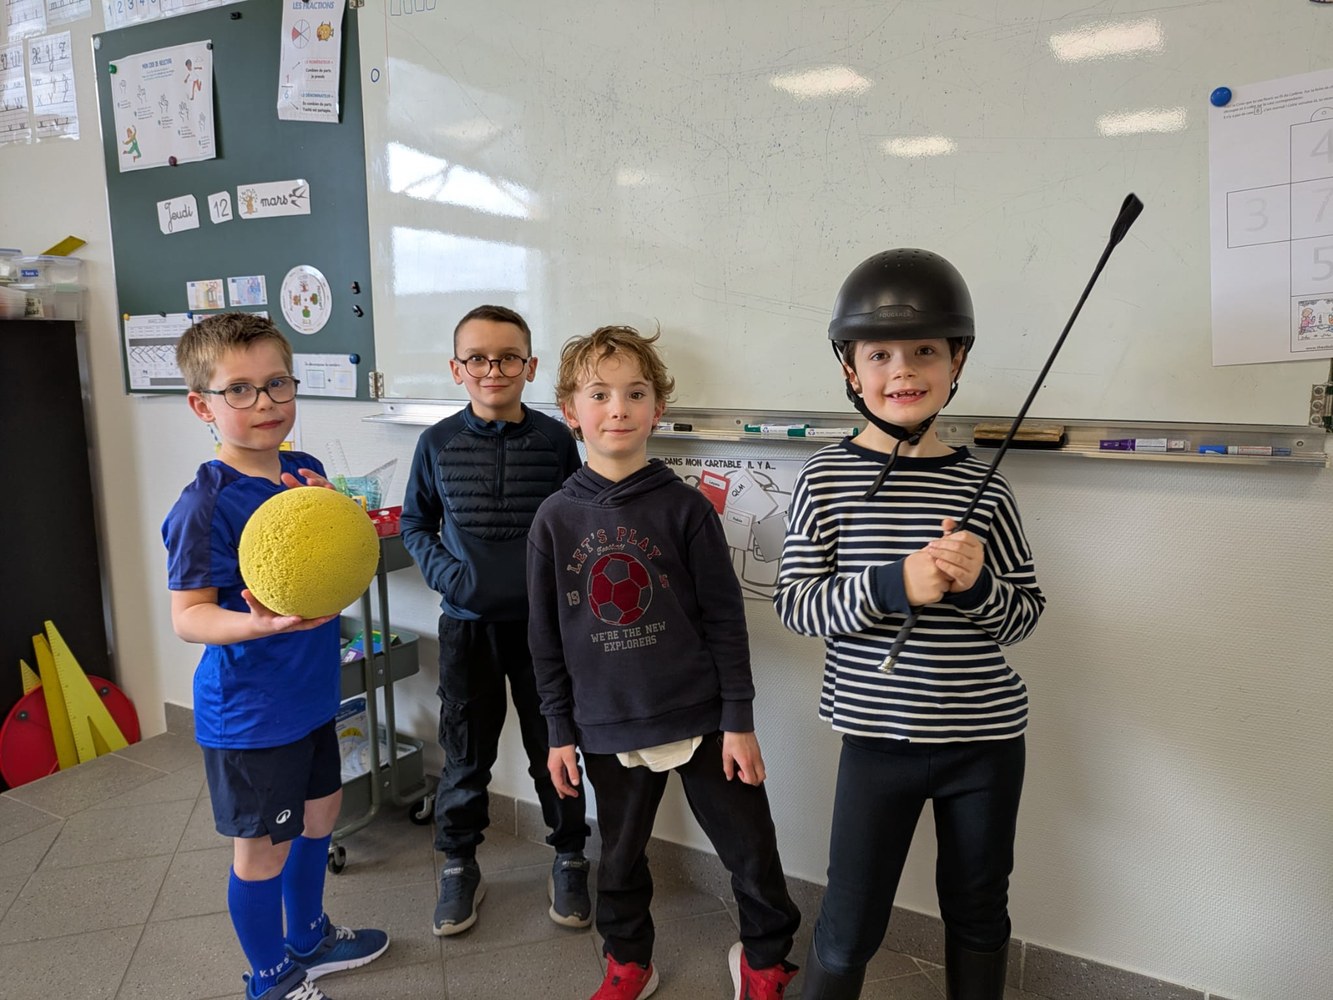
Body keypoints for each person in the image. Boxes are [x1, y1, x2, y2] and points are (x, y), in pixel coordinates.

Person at [773, 250, 1046, 1000]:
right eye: (880, 354)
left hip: (986, 743)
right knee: (849, 920)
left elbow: (1023, 614)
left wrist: (975, 586)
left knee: (978, 910)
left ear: (956, 361)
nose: (903, 370)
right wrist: (895, 584)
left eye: (925, 350)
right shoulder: (825, 478)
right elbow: (797, 603)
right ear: (850, 368)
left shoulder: (983, 486)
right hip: (876, 743)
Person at [527, 325, 801, 1000]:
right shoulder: (554, 520)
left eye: (634, 393)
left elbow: (724, 621)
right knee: (618, 861)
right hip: (605, 724)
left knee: (751, 853)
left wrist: (738, 720)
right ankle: (629, 961)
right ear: (570, 411)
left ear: (657, 408)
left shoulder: (686, 509)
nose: (617, 408)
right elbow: (546, 639)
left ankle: (765, 961)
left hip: (704, 719)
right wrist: (558, 731)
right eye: (599, 394)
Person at [162, 313, 389, 1000]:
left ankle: (309, 938)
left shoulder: (303, 472)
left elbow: (327, 566)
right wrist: (258, 624)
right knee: (264, 849)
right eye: (239, 389)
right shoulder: (204, 505)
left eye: (277, 383)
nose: (264, 402)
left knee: (321, 816)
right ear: (202, 405)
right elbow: (189, 617)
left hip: (311, 692)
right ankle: (270, 978)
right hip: (251, 713)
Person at [400, 304, 591, 937]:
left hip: (545, 633)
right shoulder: (436, 443)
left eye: (508, 358)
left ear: (530, 367)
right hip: (467, 627)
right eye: (477, 358)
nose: (493, 370)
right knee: (465, 754)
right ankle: (459, 864)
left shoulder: (556, 440)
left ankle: (569, 856)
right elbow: (415, 523)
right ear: (457, 368)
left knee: (555, 749)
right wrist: (449, 577)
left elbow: (577, 521)